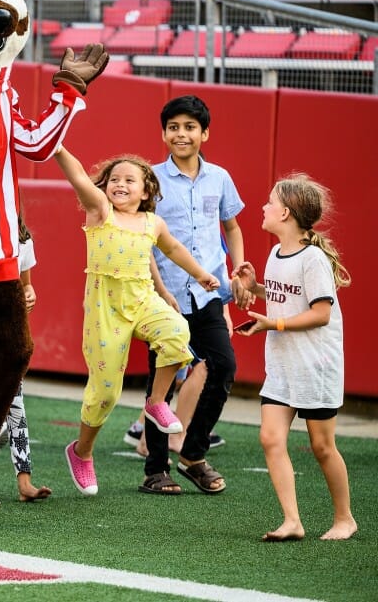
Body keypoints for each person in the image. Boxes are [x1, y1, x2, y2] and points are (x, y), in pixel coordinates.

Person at [52, 146, 219, 496]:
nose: (120, 184)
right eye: (114, 179)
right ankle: (81, 451)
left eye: (130, 180)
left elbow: (171, 250)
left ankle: (156, 401)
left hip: (143, 298)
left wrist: (200, 275)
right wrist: (56, 146)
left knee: (176, 330)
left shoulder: (152, 222)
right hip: (105, 308)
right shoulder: (100, 212)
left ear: (146, 191)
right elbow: (79, 176)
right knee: (105, 393)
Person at [231, 174, 356, 542]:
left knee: (321, 446)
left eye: (269, 202)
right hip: (284, 367)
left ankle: (345, 519)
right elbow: (284, 295)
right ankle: (292, 522)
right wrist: (255, 286)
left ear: (285, 213)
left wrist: (275, 323)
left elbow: (320, 313)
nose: (263, 207)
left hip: (316, 367)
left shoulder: (314, 258)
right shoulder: (275, 253)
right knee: (271, 438)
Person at [140, 95, 244, 496]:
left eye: (189, 127)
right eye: (173, 127)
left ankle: (193, 454)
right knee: (160, 384)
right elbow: (143, 238)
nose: (181, 135)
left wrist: (238, 267)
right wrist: (158, 289)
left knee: (223, 366)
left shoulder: (220, 177)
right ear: (164, 133)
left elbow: (231, 227)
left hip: (209, 296)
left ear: (205, 133)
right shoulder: (150, 179)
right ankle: (155, 469)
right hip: (165, 299)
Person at [0, 215, 53, 502]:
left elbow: (26, 284)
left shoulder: (20, 239)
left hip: (7, 331)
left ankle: (24, 482)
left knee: (16, 405)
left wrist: (29, 293)